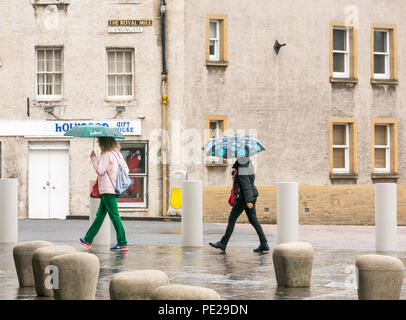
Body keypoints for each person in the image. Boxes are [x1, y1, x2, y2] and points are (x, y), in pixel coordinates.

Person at [209, 156, 269, 253]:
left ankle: (223, 243)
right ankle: (264, 244)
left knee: (232, 219)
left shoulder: (243, 166)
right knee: (253, 220)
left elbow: (246, 184)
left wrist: (249, 201)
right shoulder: (247, 163)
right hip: (248, 197)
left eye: (238, 154)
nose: (236, 155)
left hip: (243, 198)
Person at [79, 137, 130, 251]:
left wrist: (93, 158)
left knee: (114, 216)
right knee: (100, 215)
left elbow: (100, 171)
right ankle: (88, 239)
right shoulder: (117, 154)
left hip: (108, 190)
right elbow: (126, 170)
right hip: (114, 188)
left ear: (103, 143)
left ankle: (123, 242)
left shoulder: (106, 154)